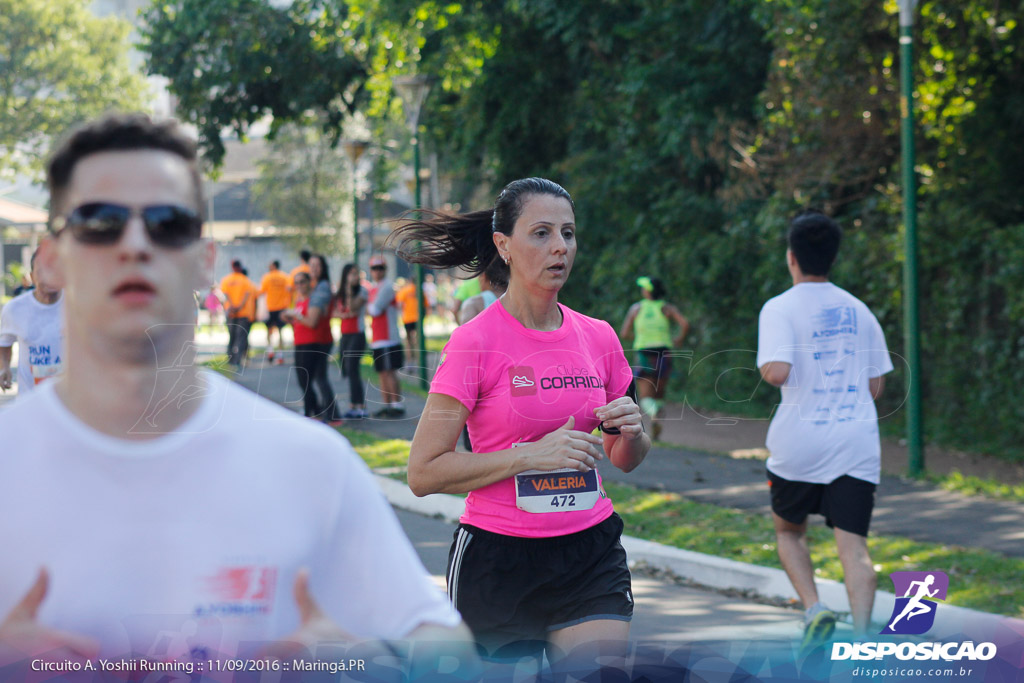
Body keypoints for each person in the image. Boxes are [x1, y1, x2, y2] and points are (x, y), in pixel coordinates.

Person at [0, 112, 473, 668]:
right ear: (51, 260)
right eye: (100, 221)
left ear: (205, 264)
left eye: (167, 222)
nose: (133, 244)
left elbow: (450, 651)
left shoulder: (309, 464)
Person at [391, 177, 651, 670]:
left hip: (588, 552)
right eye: (542, 233)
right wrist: (532, 456)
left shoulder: (598, 337)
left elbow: (626, 459)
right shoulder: (474, 343)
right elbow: (423, 472)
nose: (560, 247)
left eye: (568, 234)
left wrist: (633, 433)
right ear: (503, 245)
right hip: (499, 560)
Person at [756, 209, 893, 649]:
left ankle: (815, 609)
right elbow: (875, 386)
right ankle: (863, 641)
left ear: (791, 257)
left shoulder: (779, 307)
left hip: (798, 443)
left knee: (788, 531)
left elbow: (776, 372)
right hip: (856, 443)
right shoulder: (860, 310)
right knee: (854, 548)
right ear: (832, 258)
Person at [619, 276, 690, 439]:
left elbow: (624, 332)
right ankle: (657, 418)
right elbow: (684, 324)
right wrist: (678, 339)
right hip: (664, 352)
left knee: (645, 396)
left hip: (644, 353)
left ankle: (654, 414)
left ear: (647, 291)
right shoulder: (666, 308)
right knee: (659, 392)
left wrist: (638, 337)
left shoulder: (636, 308)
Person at [0, 249, 65, 394]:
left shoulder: (78, 305)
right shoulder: (14, 309)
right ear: (31, 277)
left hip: (72, 401)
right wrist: (4, 367)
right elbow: (4, 344)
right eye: (42, 272)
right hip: (31, 396)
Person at [284, 271, 341, 424]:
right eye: (296, 283)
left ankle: (315, 411)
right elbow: (299, 323)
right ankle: (314, 409)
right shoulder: (298, 299)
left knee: (310, 378)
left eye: (302, 282)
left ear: (310, 282)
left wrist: (296, 316)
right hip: (300, 341)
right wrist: (290, 319)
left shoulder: (314, 299)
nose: (299, 286)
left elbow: (311, 322)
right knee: (304, 379)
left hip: (312, 342)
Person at [366, 255, 405, 417]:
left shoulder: (387, 287)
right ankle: (387, 404)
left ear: (385, 270)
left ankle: (397, 404)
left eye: (380, 268)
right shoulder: (374, 288)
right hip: (378, 336)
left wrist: (366, 306)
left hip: (389, 336)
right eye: (374, 268)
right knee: (382, 372)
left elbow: (375, 309)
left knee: (389, 372)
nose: (377, 271)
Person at [336, 262, 369, 419]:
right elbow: (338, 312)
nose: (355, 277)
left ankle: (360, 406)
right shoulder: (340, 293)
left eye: (356, 274)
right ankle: (353, 405)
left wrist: (348, 289)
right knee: (347, 369)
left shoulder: (362, 291)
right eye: (351, 274)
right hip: (345, 334)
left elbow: (353, 308)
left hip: (357, 334)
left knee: (352, 368)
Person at [219, 259, 253, 368]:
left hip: (231, 312)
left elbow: (225, 293)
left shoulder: (226, 279)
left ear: (232, 267)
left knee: (232, 336)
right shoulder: (245, 280)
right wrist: (240, 306)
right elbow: (247, 294)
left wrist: (232, 305)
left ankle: (230, 359)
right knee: (241, 337)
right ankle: (237, 360)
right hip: (242, 312)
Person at [259, 259, 291, 364]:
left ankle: (270, 351)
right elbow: (289, 291)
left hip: (271, 308)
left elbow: (262, 291)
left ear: (273, 266)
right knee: (280, 331)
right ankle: (280, 355)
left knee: (269, 331)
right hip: (282, 308)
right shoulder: (285, 277)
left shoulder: (267, 277)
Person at [395, 277, 422, 368]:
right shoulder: (420, 290)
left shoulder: (405, 290)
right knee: (417, 340)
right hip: (417, 318)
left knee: (408, 340)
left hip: (407, 318)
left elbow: (399, 304)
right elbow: (426, 305)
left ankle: (410, 361)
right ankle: (419, 361)